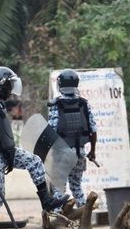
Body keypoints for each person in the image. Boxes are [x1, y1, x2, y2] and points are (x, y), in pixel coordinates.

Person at [0, 66, 69, 229]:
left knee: (34, 161)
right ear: (2, 86)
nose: (11, 90)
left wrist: (10, 158)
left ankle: (46, 201)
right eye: (9, 86)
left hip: (4, 153)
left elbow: (0, 135)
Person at [47, 69, 97, 207]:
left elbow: (51, 130)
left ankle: (59, 219)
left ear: (60, 85)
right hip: (79, 153)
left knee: (58, 189)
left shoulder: (56, 105)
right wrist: (92, 151)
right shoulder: (84, 104)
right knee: (77, 187)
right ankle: (84, 217)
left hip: (61, 154)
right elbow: (93, 130)